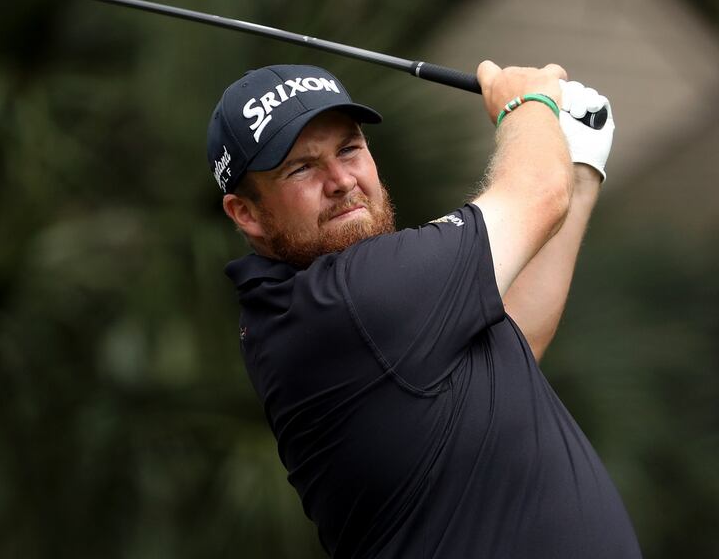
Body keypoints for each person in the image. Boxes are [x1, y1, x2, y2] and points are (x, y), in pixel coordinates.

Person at [206, 62, 640, 558]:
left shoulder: (311, 312)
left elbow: (514, 339)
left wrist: (580, 168)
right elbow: (539, 193)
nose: (341, 180)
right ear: (246, 213)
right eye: (301, 168)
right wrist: (526, 104)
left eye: (349, 148)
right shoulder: (349, 300)